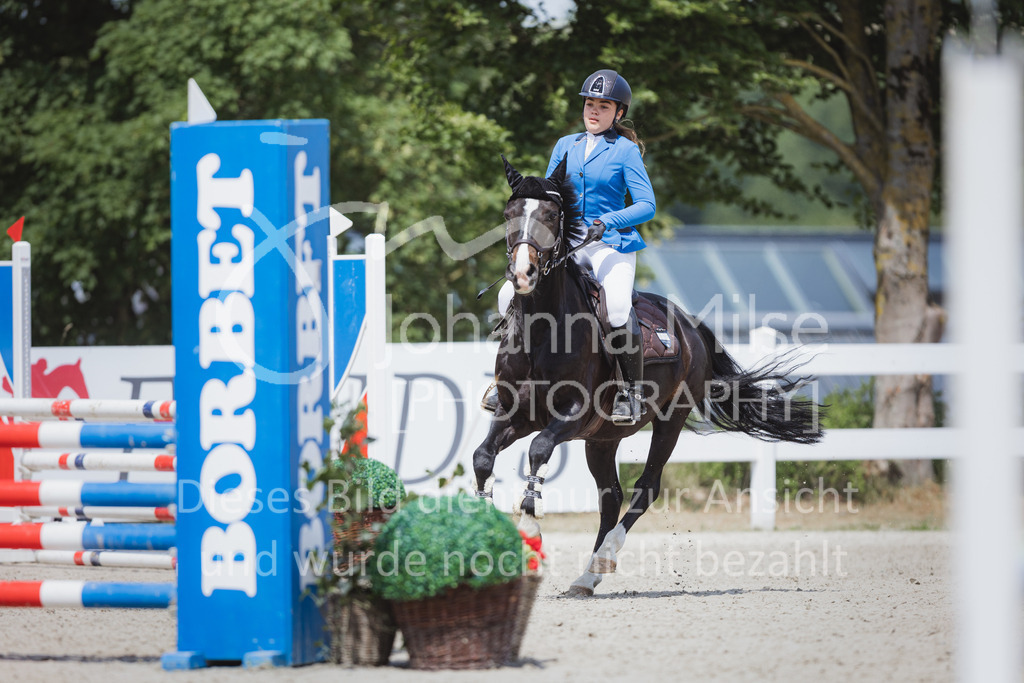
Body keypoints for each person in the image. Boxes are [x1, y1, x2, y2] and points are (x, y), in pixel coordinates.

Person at [483, 68, 656, 425]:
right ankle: (504, 379)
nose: (593, 112)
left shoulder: (626, 152)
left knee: (619, 308)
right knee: (506, 297)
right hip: (568, 245)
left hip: (611, 244)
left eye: (603, 107)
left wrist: (609, 220)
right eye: (590, 105)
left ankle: (630, 391)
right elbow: (550, 194)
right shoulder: (566, 145)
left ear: (618, 113)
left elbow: (646, 205)